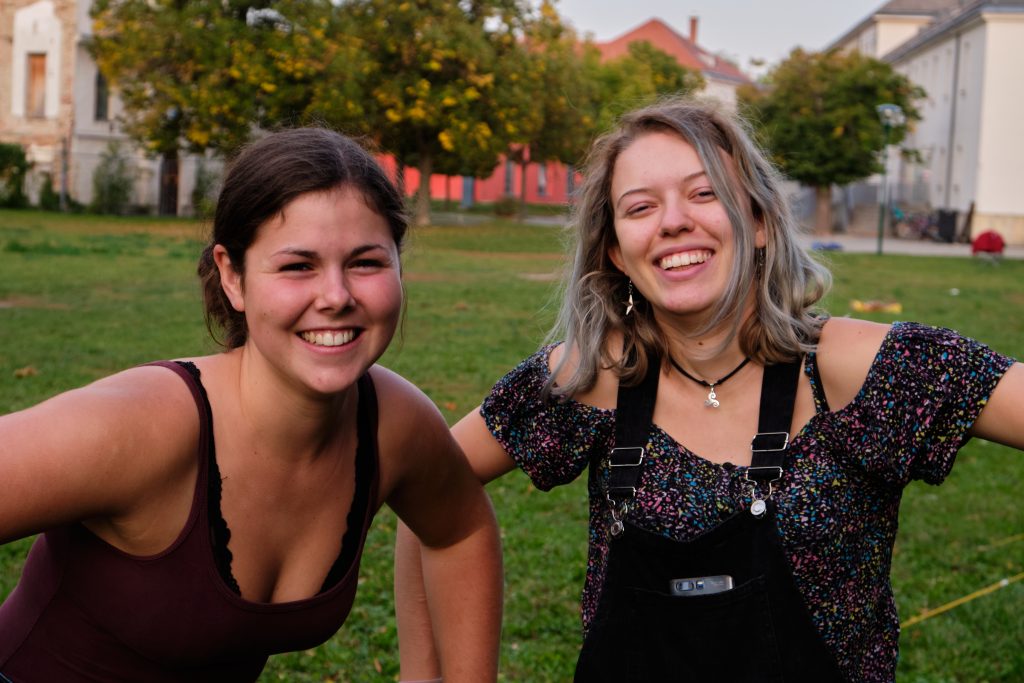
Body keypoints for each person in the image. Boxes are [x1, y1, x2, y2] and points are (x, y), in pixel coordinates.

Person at [395, 98, 1023, 682]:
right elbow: (424, 488)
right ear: (616, 252)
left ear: (759, 221)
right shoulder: (593, 375)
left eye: (704, 193)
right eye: (640, 207)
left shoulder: (859, 369)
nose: (673, 222)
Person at [0, 128, 502, 682]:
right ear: (233, 276)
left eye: (365, 262)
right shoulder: (140, 425)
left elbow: (459, 531)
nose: (337, 296)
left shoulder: (394, 423)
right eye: (298, 266)